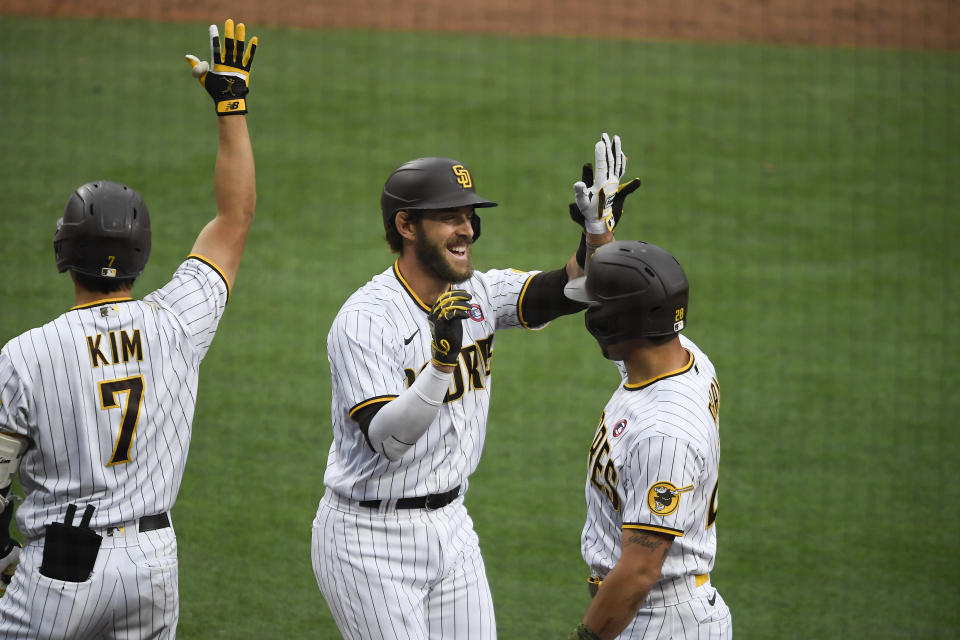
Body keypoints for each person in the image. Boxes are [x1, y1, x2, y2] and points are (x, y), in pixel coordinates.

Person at [312, 133, 638, 639]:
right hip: (368, 540)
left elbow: (580, 289)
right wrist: (441, 365)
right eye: (450, 217)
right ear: (406, 226)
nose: (467, 229)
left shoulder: (479, 293)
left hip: (452, 526)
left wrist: (597, 234)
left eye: (469, 216)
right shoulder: (365, 320)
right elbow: (389, 442)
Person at [0, 18, 258, 638]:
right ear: (142, 254)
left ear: (64, 254)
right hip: (152, 566)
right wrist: (232, 105)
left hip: (58, 571)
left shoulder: (24, 357)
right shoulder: (179, 321)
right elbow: (234, 217)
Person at [561, 240, 732, 639]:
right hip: (652, 610)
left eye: (597, 306)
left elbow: (640, 570)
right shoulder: (681, 356)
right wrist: (600, 235)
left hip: (659, 620)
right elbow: (637, 307)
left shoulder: (663, 433)